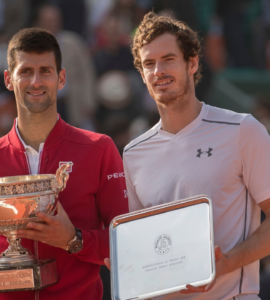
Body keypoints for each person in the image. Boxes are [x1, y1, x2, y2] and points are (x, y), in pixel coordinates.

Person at [114, 12, 270, 300]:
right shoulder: (133, 153)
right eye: (149, 63)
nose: (158, 70)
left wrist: (228, 263)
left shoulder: (243, 130)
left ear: (193, 63)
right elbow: (142, 243)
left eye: (169, 59)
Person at [0, 28, 128, 300]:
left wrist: (73, 240)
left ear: (61, 78)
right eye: (25, 71)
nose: (35, 81)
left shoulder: (99, 149)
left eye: (45, 70)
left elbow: (126, 241)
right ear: (9, 79)